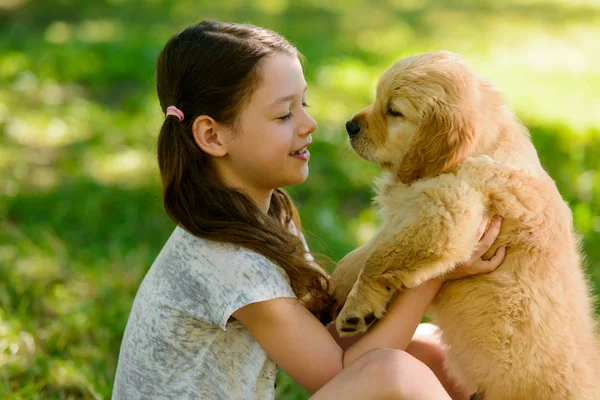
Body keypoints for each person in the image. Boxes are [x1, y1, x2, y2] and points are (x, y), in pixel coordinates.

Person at [112, 20, 506, 400]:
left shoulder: (268, 215)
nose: (309, 123)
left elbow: (326, 341)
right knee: (393, 371)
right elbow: (339, 373)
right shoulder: (226, 260)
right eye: (285, 114)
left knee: (433, 348)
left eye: (304, 104)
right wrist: (433, 269)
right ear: (212, 135)